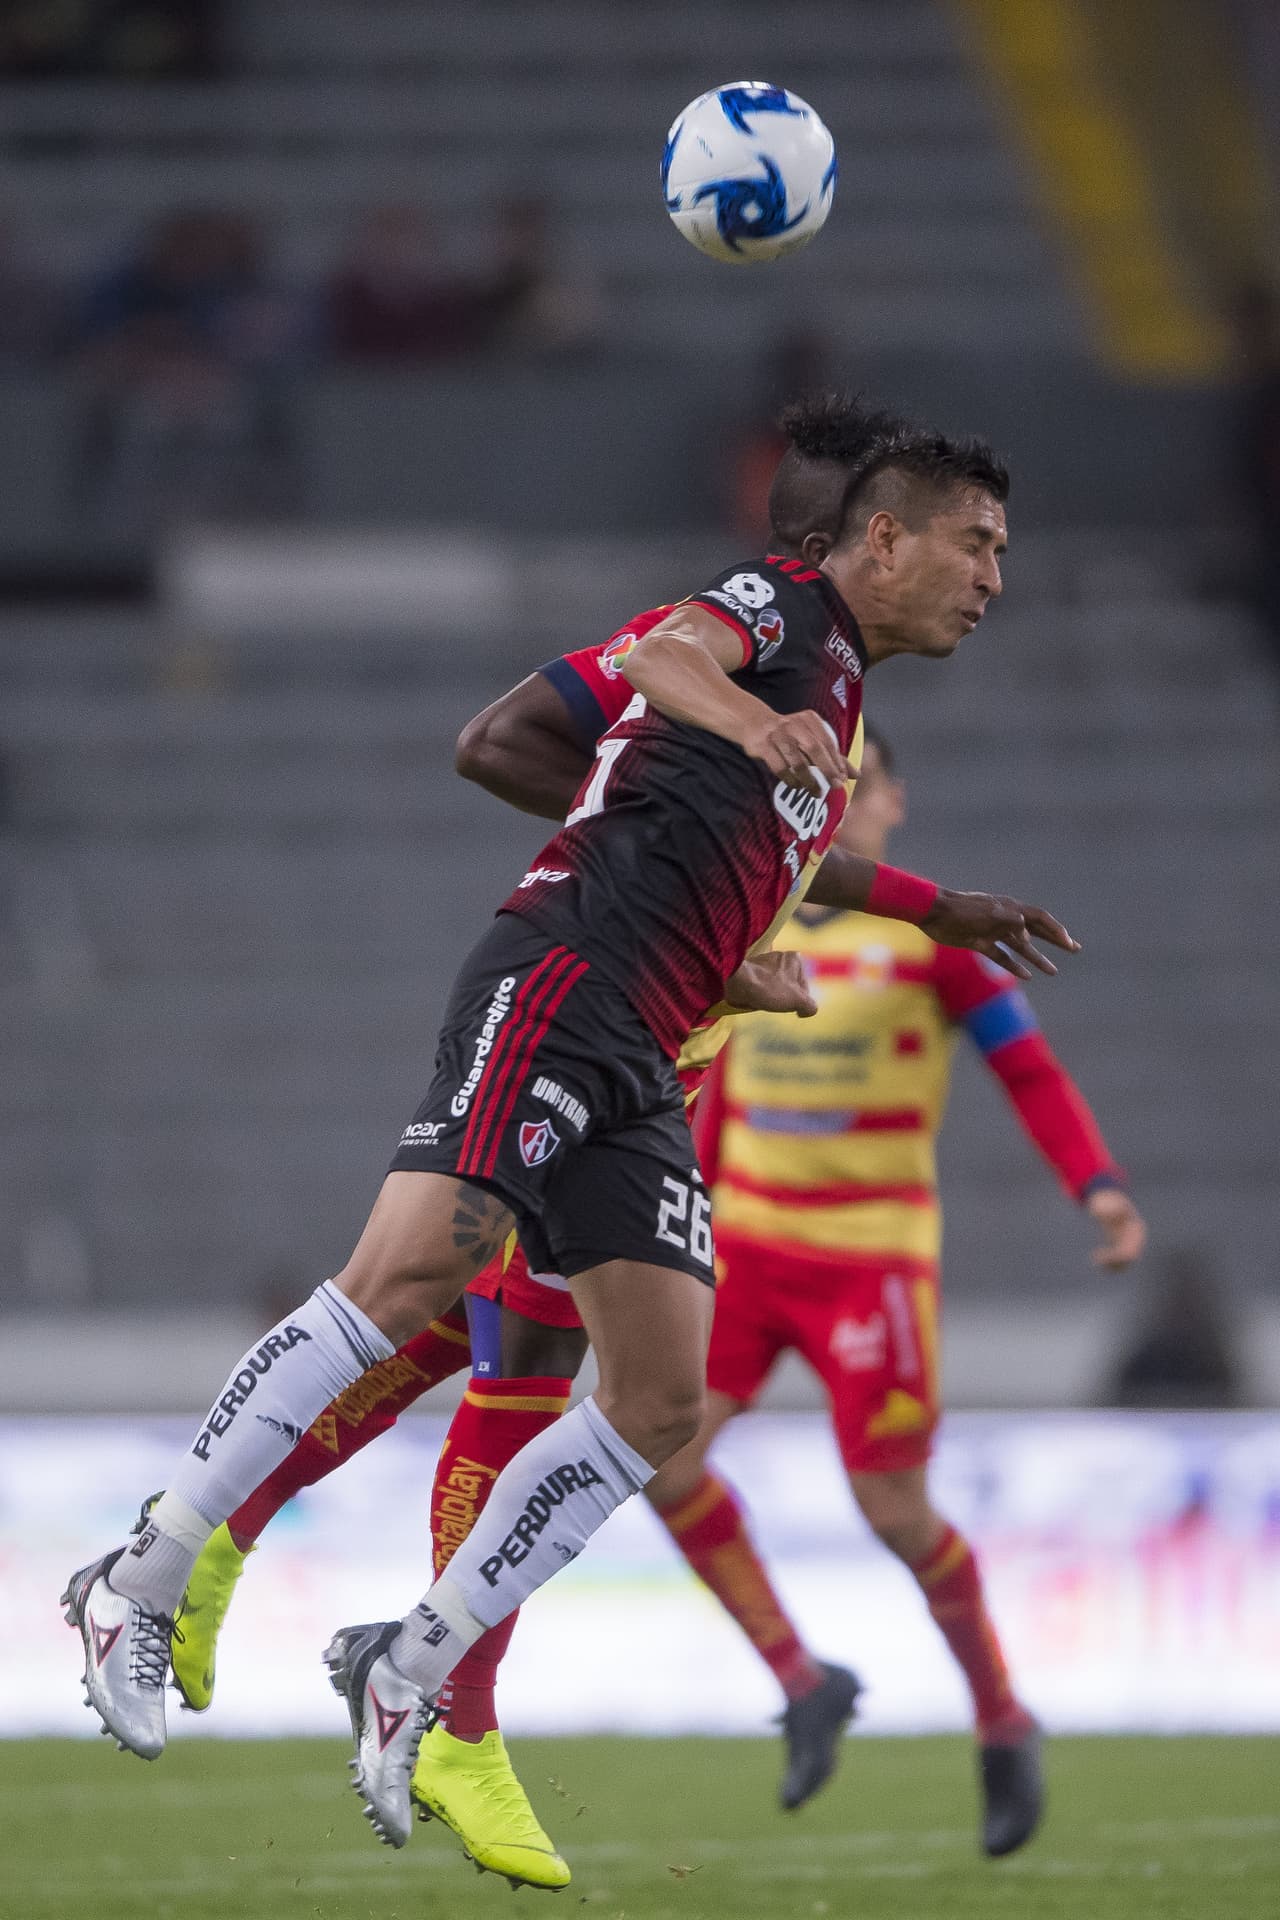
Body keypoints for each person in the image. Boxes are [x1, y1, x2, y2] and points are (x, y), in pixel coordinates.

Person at [64, 396, 1079, 1860]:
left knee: (659, 1404)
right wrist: (749, 714)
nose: (993, 577)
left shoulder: (840, 696)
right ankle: (144, 1576)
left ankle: (414, 1671)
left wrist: (945, 906)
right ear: (884, 536)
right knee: (407, 1284)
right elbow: (669, 657)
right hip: (565, 981)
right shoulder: (786, 613)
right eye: (977, 546)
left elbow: (788, 835)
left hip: (647, 1047)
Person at [642, 726, 1147, 1857]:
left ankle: (1003, 1720)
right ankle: (800, 1676)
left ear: (892, 806)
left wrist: (1097, 1190)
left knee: (893, 1516)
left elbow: (1026, 1066)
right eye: (814, 790)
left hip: (869, 1263)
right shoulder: (751, 923)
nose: (836, 805)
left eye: (854, 789)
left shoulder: (930, 944)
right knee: (657, 1461)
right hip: (748, 1253)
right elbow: (717, 1089)